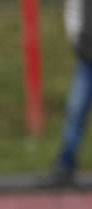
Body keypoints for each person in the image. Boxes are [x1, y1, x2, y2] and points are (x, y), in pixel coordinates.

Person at [52, 0, 92, 185]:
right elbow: (73, 12)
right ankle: (66, 163)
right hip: (87, 59)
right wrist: (78, 44)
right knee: (75, 112)